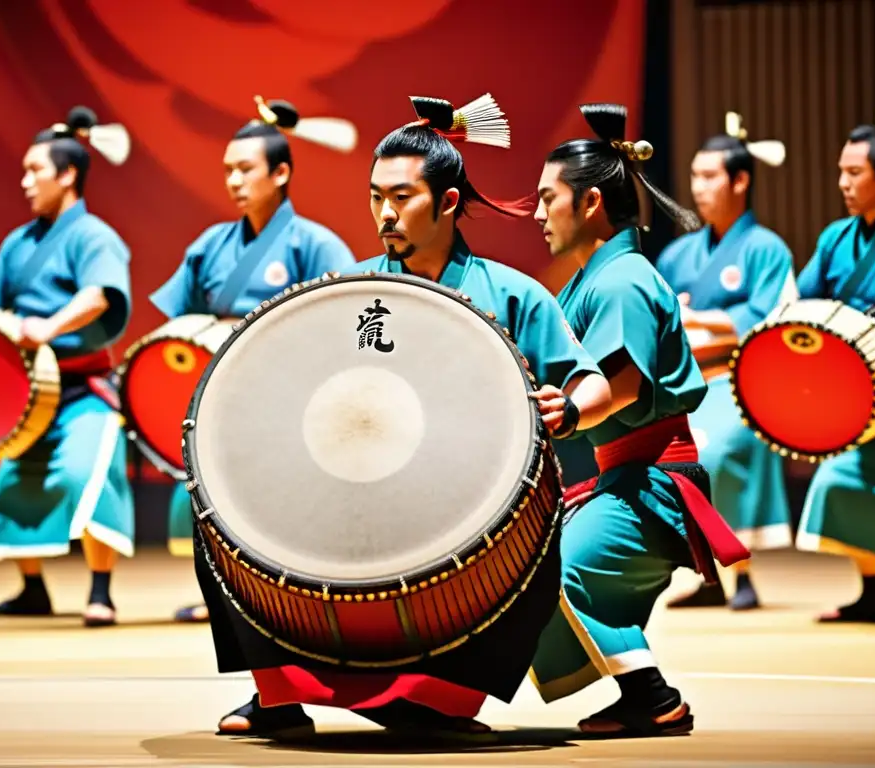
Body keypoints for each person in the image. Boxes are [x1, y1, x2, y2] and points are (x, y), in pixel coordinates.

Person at [210, 93, 613, 740]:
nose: (385, 213)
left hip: (479, 504)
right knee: (222, 513)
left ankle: (434, 699)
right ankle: (278, 693)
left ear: (448, 202)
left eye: (401, 197)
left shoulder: (510, 293)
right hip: (358, 484)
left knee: (527, 568)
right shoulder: (351, 289)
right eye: (376, 197)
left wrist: (568, 408)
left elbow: (590, 380)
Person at [529, 103, 750, 737]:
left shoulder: (621, 279)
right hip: (625, 476)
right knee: (529, 570)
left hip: (652, 482)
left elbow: (620, 385)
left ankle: (652, 697)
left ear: (592, 202)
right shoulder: (590, 280)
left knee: (554, 568)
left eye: (549, 199)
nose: (539, 214)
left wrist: (569, 410)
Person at [149, 96, 357, 624]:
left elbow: (340, 322)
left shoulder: (315, 243)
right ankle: (223, 593)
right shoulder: (211, 245)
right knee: (217, 496)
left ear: (281, 172)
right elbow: (174, 318)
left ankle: (289, 595)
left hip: (291, 398)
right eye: (227, 171)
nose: (234, 181)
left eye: (245, 169)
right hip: (222, 397)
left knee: (282, 502)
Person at [0, 106, 135, 627]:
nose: (24, 182)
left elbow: (99, 296)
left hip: (83, 388)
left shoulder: (94, 237)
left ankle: (101, 591)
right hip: (28, 391)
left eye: (34, 170)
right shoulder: (17, 244)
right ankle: (33, 589)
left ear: (67, 175)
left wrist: (47, 327)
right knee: (11, 485)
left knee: (83, 474)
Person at [657, 113, 796, 611]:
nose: (699, 187)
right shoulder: (677, 254)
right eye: (695, 175)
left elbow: (771, 317)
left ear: (741, 180)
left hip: (742, 384)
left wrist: (708, 318)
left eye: (711, 175)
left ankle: (747, 570)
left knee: (717, 453)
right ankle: (706, 572)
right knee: (678, 462)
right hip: (688, 382)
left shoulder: (766, 249)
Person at [794, 115, 875, 623]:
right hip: (853, 384)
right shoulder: (834, 238)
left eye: (855, 173)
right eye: (841, 172)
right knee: (840, 482)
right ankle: (871, 588)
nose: (844, 183)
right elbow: (804, 302)